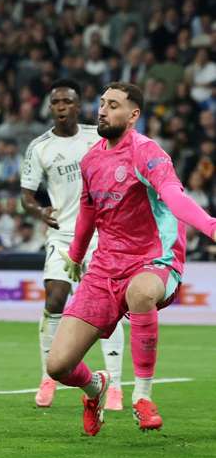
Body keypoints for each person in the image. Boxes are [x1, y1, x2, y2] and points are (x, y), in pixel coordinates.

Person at [46, 82, 216, 436]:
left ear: (133, 115)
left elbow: (174, 198)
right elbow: (87, 216)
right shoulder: (91, 159)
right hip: (106, 266)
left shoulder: (146, 152)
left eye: (113, 105)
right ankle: (96, 387)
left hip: (154, 260)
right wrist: (76, 257)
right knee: (58, 365)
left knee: (140, 293)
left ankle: (142, 396)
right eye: (102, 104)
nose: (102, 110)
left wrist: (211, 227)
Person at [21, 79, 126, 411]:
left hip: (103, 235)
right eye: (56, 103)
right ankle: (48, 376)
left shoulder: (97, 137)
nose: (62, 107)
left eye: (68, 101)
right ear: (51, 108)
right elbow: (26, 196)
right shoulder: (40, 147)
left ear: (78, 106)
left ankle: (115, 386)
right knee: (55, 298)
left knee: (110, 309)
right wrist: (39, 210)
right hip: (63, 234)